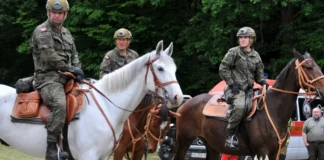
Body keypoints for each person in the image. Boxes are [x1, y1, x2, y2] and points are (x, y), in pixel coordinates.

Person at [29, 0, 84, 159]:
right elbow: (48, 57)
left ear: (65, 15)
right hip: (48, 79)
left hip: (68, 78)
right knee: (60, 104)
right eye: (54, 12)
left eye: (60, 13)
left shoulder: (66, 33)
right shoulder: (42, 31)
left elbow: (74, 54)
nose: (57, 15)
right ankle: (52, 147)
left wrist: (76, 68)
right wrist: (72, 69)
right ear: (48, 12)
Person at [219, 26, 268, 148]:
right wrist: (231, 83)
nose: (242, 39)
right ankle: (230, 135)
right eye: (240, 37)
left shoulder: (256, 56)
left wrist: (263, 82)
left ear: (251, 39)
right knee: (241, 106)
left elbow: (259, 74)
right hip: (234, 88)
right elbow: (223, 69)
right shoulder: (233, 52)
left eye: (245, 37)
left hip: (249, 90)